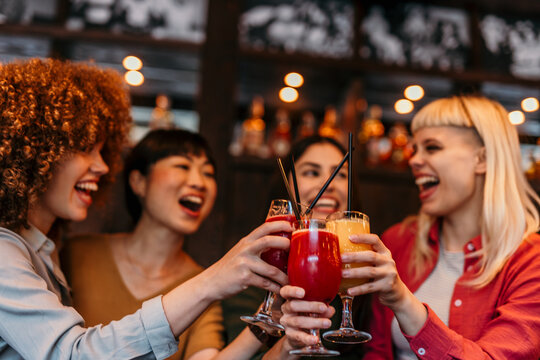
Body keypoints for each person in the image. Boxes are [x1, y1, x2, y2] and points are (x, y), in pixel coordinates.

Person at [0, 58, 291, 359]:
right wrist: (213, 280)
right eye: (86, 148)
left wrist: (275, 332)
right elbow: (73, 354)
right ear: (36, 152)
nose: (102, 167)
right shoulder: (17, 253)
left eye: (208, 172)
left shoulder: (46, 252)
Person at [280, 95, 540, 359]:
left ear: (482, 159)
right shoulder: (399, 241)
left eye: (432, 147)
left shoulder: (531, 261)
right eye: (415, 149)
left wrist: (404, 302)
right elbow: (375, 352)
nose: (414, 160)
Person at [64, 128, 304, 359]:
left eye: (208, 173)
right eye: (182, 166)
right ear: (138, 182)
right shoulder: (73, 254)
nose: (199, 182)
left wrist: (269, 320)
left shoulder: (208, 282)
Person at [222, 135, 370, 359]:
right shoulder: (258, 265)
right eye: (311, 172)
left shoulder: (364, 270)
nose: (327, 184)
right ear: (287, 185)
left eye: (339, 174)